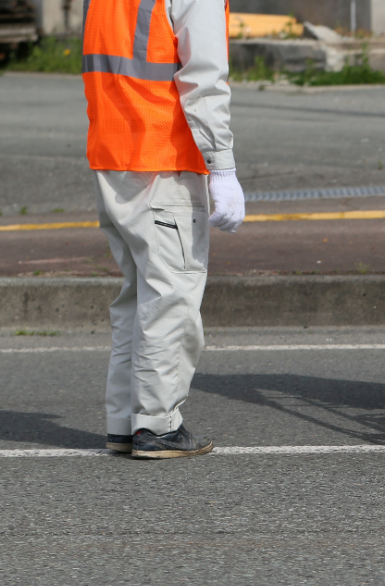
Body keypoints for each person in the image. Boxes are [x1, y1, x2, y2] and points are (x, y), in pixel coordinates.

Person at [82, 0, 245, 458]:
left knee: (137, 299)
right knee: (171, 295)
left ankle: (125, 421)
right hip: (163, 158)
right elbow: (205, 77)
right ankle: (156, 425)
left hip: (113, 153)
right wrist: (222, 167)